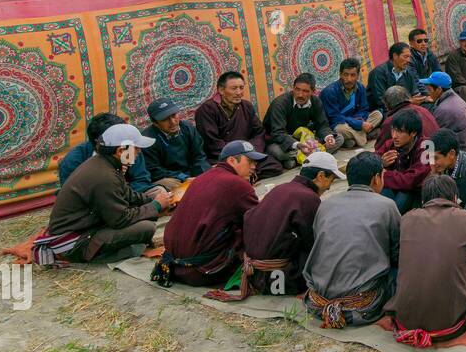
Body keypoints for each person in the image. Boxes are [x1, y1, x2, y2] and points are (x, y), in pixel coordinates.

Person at [384, 174, 466, 346]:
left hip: (405, 321)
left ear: (424, 199)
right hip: (450, 323)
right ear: (454, 198)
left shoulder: (407, 218)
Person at [214, 151, 345, 301]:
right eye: (331, 180)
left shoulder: (280, 188)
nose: (329, 187)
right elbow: (314, 245)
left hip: (254, 274)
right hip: (278, 279)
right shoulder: (308, 198)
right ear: (320, 176)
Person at [38, 123, 172, 264]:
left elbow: (128, 194)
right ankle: (101, 255)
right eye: (136, 149)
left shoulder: (106, 164)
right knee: (146, 227)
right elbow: (120, 220)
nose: (138, 153)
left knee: (148, 213)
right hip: (73, 241)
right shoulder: (104, 176)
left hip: (87, 227)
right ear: (121, 151)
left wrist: (152, 200)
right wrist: (155, 206)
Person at [302, 152, 402, 328]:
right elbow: (397, 253)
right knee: (398, 270)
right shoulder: (386, 205)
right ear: (376, 179)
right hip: (362, 307)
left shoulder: (326, 204)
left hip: (317, 303)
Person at [152, 140, 262, 288]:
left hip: (174, 266)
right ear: (231, 160)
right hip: (200, 270)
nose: (254, 166)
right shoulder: (238, 184)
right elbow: (260, 221)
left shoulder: (202, 177)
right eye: (250, 161)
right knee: (255, 234)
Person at [193, 71, 283, 181]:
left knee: (274, 166)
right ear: (221, 90)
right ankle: (244, 177)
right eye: (234, 88)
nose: (239, 92)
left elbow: (259, 132)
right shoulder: (207, 110)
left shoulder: (246, 106)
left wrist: (252, 151)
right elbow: (212, 142)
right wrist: (237, 156)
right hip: (224, 158)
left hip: (247, 155)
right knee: (217, 173)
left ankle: (245, 177)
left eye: (241, 87)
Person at [60, 112, 169, 201]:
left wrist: (125, 193)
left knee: (159, 192)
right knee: (145, 226)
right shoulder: (73, 161)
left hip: (129, 194)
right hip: (98, 204)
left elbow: (142, 179)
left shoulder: (130, 149)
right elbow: (74, 196)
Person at [262, 72, 337, 168]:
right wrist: (298, 145)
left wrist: (328, 137)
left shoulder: (315, 101)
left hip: (303, 139)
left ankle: (296, 159)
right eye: (297, 90)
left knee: (338, 139)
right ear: (293, 88)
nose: (300, 94)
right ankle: (309, 155)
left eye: (305, 91)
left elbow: (322, 125)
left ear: (313, 91)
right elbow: (278, 133)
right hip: (280, 141)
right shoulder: (280, 104)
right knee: (278, 152)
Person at [376, 107, 436, 214]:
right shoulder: (391, 144)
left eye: (400, 132)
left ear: (413, 133)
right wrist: (380, 162)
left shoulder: (427, 146)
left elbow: (412, 179)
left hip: (417, 193)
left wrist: (384, 175)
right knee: (381, 191)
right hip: (397, 187)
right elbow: (370, 161)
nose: (394, 136)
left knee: (404, 195)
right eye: (393, 130)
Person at [141, 98, 209, 186]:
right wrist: (183, 177)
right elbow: (154, 170)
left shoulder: (187, 127)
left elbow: (199, 155)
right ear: (155, 123)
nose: (172, 122)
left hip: (191, 172)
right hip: (170, 177)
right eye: (165, 119)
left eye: (174, 115)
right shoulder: (147, 140)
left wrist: (200, 176)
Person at [320, 57, 382, 148]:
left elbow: (364, 109)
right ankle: (363, 137)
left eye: (353, 75)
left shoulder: (360, 88)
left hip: (354, 119)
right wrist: (359, 125)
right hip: (339, 123)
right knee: (340, 129)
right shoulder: (329, 92)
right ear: (340, 74)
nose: (349, 79)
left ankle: (352, 139)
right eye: (346, 75)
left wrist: (359, 121)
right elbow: (334, 117)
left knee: (378, 115)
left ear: (357, 76)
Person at [421, 71, 466, 153]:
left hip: (461, 150)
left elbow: (433, 136)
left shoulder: (443, 109)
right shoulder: (455, 98)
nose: (428, 93)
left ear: (439, 89)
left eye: (429, 89)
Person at [370, 85, 439, 149]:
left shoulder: (391, 121)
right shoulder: (423, 110)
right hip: (437, 151)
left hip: (423, 156)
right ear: (409, 98)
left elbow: (379, 148)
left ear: (387, 105)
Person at [368, 42, 423, 111]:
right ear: (395, 56)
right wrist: (408, 102)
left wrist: (422, 98)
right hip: (385, 111)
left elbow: (414, 92)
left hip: (406, 108)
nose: (409, 60)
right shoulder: (379, 72)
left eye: (410, 57)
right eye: (405, 56)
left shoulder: (408, 71)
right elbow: (380, 101)